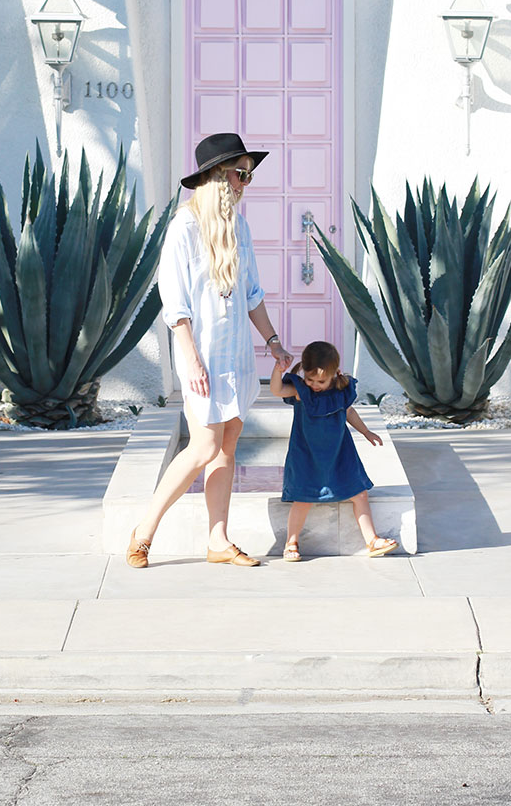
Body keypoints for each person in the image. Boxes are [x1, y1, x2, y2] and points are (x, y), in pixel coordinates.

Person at [126, 132, 291, 569]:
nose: (244, 185)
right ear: (217, 176)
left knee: (226, 448)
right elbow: (174, 303)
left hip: (235, 355)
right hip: (200, 356)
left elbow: (252, 294)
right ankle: (144, 532)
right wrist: (192, 359)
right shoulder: (184, 227)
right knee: (202, 446)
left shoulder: (239, 227)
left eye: (248, 177)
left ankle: (218, 540)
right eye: (240, 175)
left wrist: (273, 343)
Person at [270, 340, 399, 561]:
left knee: (359, 494)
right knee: (303, 498)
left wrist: (367, 432)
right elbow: (276, 389)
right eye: (309, 379)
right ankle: (291, 542)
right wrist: (277, 369)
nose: (314, 384)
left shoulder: (342, 391)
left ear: (335, 373)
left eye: (320, 380)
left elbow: (349, 413)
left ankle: (372, 539)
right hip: (307, 455)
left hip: (340, 453)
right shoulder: (302, 392)